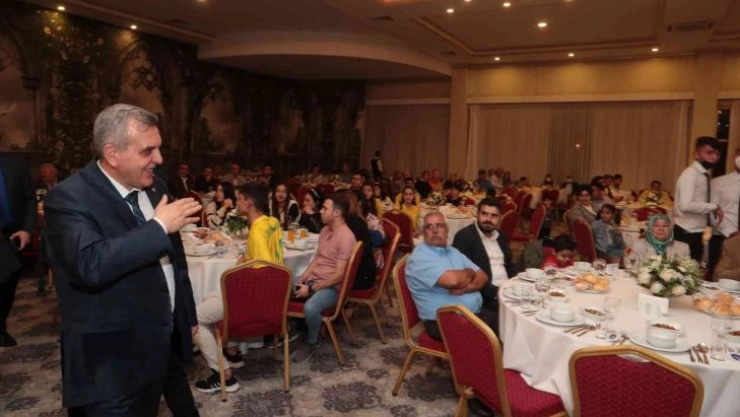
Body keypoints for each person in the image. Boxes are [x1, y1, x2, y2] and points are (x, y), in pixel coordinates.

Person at [44, 104, 200, 416]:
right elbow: (90, 264)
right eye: (148, 151)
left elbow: (174, 262)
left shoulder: (155, 186)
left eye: (158, 148)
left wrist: (187, 317)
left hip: (158, 348)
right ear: (113, 154)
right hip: (108, 365)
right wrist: (158, 227)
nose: (159, 159)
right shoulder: (69, 197)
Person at [193, 183, 283, 394]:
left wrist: (240, 270)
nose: (236, 203)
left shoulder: (257, 231)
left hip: (254, 300)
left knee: (194, 319)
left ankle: (224, 375)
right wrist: (245, 258)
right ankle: (232, 351)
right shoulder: (272, 222)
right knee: (209, 296)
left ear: (249, 202)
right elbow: (267, 261)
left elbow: (264, 272)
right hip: (273, 299)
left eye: (240, 199)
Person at [406, 212, 498, 339]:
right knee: (497, 338)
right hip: (444, 321)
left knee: (509, 324)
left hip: (472, 313)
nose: (435, 230)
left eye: (440, 225)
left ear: (447, 230)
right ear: (423, 232)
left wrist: (467, 288)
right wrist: (471, 272)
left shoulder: (452, 251)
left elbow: (483, 275)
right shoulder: (419, 257)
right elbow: (453, 281)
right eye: (429, 227)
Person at [292, 192, 357, 362]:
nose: (320, 211)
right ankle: (287, 332)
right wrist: (304, 277)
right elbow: (318, 258)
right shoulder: (325, 230)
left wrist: (311, 289)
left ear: (336, 213)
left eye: (324, 208)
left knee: (310, 308)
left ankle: (313, 341)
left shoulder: (346, 237)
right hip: (315, 280)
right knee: (281, 284)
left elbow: (338, 275)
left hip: (332, 287)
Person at [452, 198, 514, 314]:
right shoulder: (464, 237)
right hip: (485, 296)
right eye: (484, 214)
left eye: (494, 216)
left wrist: (516, 284)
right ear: (478, 214)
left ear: (500, 218)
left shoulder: (501, 236)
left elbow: (509, 265)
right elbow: (465, 277)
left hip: (507, 289)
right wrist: (497, 292)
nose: (488, 219)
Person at [0, 154, 36, 347]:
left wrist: (27, 229)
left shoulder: (15, 164)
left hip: (12, 235)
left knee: (9, 283)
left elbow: (29, 199)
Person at [673, 136, 724, 262]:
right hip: (686, 233)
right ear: (696, 154)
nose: (714, 157)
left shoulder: (702, 174)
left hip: (695, 233)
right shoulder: (691, 173)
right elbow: (685, 205)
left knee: (693, 270)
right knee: (684, 271)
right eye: (709, 153)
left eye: (717, 154)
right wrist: (713, 207)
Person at [335, 189, 378, 291]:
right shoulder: (354, 219)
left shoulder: (352, 223)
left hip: (359, 275)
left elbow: (345, 253)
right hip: (360, 271)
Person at [708, 147, 740, 275]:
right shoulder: (718, 183)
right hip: (722, 238)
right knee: (718, 277)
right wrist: (730, 232)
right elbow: (711, 213)